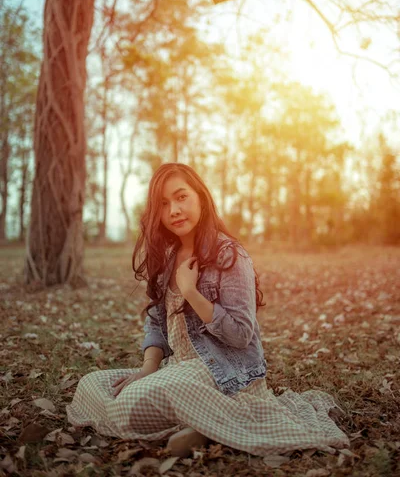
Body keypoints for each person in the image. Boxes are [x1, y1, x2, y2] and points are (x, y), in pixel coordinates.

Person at [66, 163, 350, 458]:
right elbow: (156, 320)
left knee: (131, 403)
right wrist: (147, 369)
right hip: (177, 370)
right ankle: (199, 425)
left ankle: (211, 421)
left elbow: (240, 334)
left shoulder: (230, 255)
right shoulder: (167, 257)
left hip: (223, 374)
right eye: (164, 204)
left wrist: (191, 292)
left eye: (181, 197)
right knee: (93, 384)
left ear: (200, 197)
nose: (174, 210)